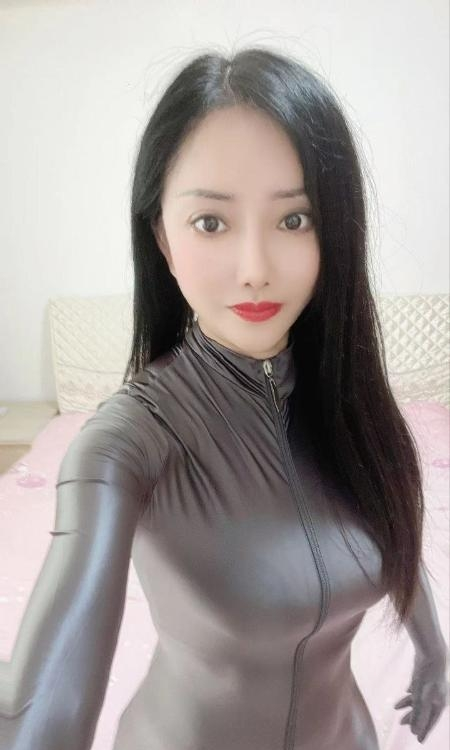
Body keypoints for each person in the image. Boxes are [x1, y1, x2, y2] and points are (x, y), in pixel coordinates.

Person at [0, 46, 448, 750]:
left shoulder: (348, 404)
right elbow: (43, 704)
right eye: (211, 222)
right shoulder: (123, 446)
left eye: (294, 220)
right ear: (162, 236)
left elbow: (389, 516)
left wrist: (433, 647)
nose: (255, 269)